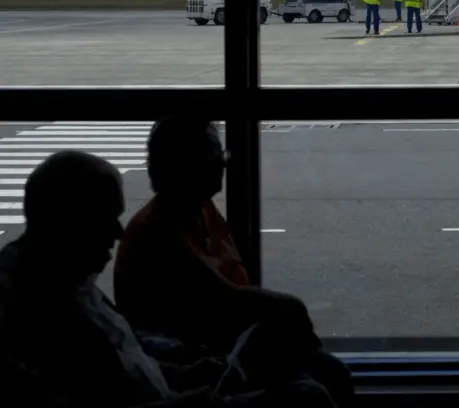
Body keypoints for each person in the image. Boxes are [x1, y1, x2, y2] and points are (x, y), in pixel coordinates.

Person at [0, 150, 335, 407]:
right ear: (67, 223)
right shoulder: (37, 309)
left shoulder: (69, 279)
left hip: (173, 381)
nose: (118, 233)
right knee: (309, 395)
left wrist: (183, 372)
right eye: (106, 219)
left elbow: (127, 355)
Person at [113, 119, 353, 407]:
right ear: (186, 166)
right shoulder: (157, 232)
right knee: (313, 393)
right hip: (206, 359)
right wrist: (287, 309)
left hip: (230, 346)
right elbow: (224, 298)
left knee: (333, 374)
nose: (223, 164)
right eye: (215, 156)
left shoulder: (199, 208)